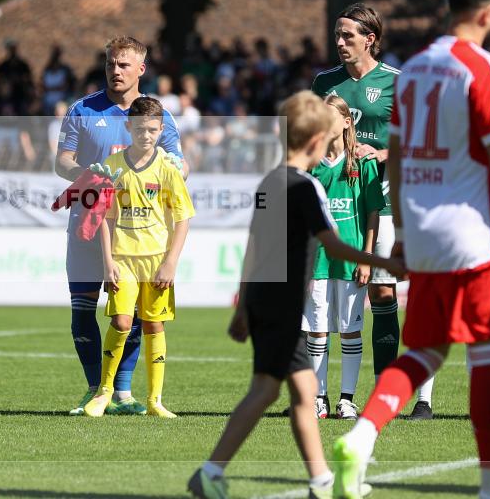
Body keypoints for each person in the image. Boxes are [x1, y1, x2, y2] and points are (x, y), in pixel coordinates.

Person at [333, 0, 490, 499]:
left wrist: (403, 233)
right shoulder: (487, 67)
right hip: (475, 232)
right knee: (488, 356)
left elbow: (398, 158)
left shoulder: (417, 69)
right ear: (489, 10)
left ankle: (361, 436)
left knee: (423, 350)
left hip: (425, 232)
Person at [187, 91, 405, 499]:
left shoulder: (269, 181)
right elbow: (334, 245)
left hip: (267, 301)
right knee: (266, 391)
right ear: (315, 141)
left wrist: (243, 302)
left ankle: (320, 480)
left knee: (300, 393)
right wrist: (383, 263)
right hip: (283, 306)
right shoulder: (306, 188)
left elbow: (252, 245)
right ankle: (211, 471)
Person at [311, 2, 435, 419]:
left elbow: (420, 141)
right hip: (343, 209)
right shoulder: (323, 83)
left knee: (385, 292)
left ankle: (393, 393)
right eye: (337, 35)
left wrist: (379, 152)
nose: (340, 42)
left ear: (371, 39)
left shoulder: (399, 84)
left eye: (348, 35)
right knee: (331, 308)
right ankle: (332, 396)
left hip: (388, 202)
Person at [55, 36, 188, 415]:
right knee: (82, 309)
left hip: (135, 236)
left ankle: (123, 393)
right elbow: (62, 162)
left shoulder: (158, 117)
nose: (116, 70)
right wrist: (91, 175)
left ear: (141, 69)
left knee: (129, 316)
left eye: (124, 65)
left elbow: (181, 164)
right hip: (87, 226)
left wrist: (177, 170)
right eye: (111, 63)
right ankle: (96, 389)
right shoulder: (81, 110)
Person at [83, 97, 195, 418]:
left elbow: (182, 217)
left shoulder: (168, 169)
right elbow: (104, 217)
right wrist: (108, 261)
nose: (146, 135)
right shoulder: (113, 166)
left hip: (157, 261)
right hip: (123, 259)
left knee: (154, 326)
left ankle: (155, 400)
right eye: (140, 129)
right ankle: (104, 392)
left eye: (152, 130)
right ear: (128, 127)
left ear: (161, 130)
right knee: (120, 321)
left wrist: (171, 261)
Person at [304, 96, 385, 420]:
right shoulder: (311, 163)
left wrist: (366, 257)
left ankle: (347, 399)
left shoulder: (363, 162)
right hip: (318, 260)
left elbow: (372, 213)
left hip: (351, 260)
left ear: (347, 122)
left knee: (350, 330)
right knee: (317, 329)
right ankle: (318, 397)